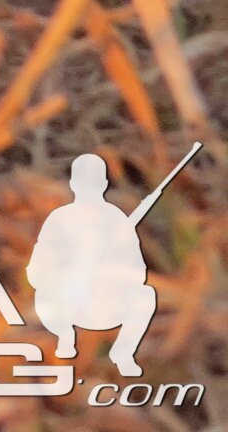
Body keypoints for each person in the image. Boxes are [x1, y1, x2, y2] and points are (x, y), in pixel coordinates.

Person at [27, 154, 161, 378]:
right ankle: (65, 339)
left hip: (108, 304)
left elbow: (138, 272)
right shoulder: (59, 219)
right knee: (42, 298)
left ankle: (123, 353)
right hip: (67, 306)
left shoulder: (117, 219)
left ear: (103, 185)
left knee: (146, 296)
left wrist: (109, 266)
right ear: (73, 184)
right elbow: (37, 269)